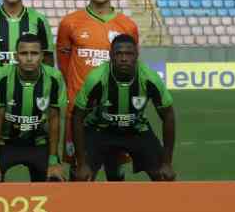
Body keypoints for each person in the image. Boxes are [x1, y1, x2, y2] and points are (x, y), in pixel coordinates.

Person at [57, 0, 140, 180]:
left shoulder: (127, 26)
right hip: (79, 110)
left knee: (115, 169)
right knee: (80, 171)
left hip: (114, 107)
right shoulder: (70, 23)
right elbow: (64, 62)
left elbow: (131, 64)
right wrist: (77, 90)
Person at [72, 34, 176, 182]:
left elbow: (168, 116)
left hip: (136, 130)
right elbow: (77, 116)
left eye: (129, 53)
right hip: (100, 130)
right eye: (119, 54)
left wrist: (167, 163)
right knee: (82, 178)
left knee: (163, 176)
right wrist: (82, 163)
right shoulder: (96, 78)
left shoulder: (149, 79)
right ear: (110, 55)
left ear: (137, 55)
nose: (124, 58)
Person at [0, 34, 67, 182]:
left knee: (55, 180)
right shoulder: (2, 76)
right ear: (15, 56)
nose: (29, 58)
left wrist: (53, 160)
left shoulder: (54, 77)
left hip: (39, 144)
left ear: (42, 56)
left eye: (34, 53)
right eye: (24, 53)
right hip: (6, 144)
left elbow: (54, 119)